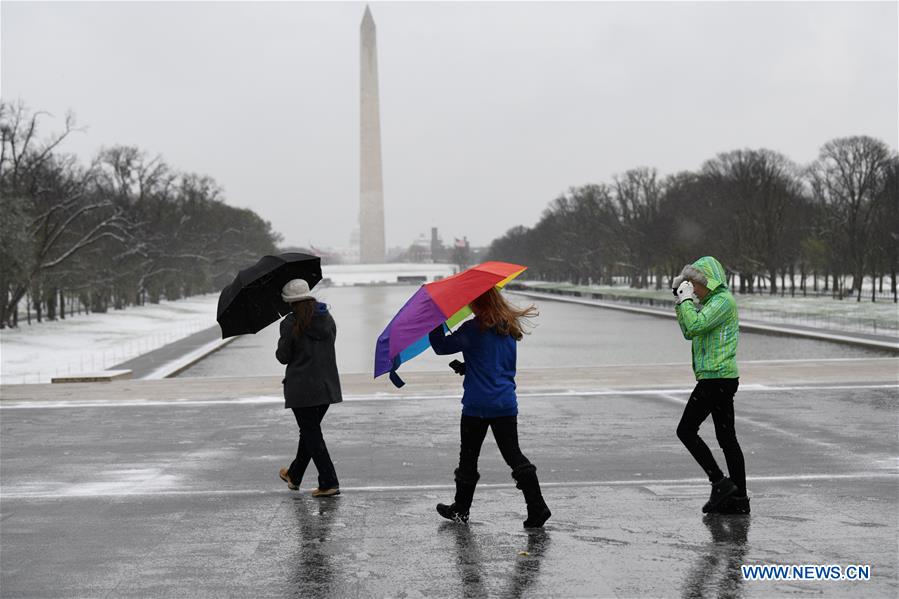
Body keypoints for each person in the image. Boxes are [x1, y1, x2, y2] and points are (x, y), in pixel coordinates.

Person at [429, 287, 551, 528]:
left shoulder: (473, 329)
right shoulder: (508, 328)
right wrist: (468, 367)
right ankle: (538, 507)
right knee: (514, 455)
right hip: (505, 403)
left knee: (468, 459)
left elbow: (441, 347)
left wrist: (435, 322)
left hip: (477, 406)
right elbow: (494, 363)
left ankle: (461, 509)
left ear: (478, 303)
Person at [672, 256, 749, 515]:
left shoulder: (722, 302)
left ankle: (719, 482)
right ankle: (739, 499)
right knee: (727, 438)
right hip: (717, 377)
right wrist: (681, 301)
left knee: (686, 430)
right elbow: (687, 330)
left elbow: (695, 326)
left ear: (709, 281)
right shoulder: (708, 303)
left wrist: (686, 302)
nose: (692, 289)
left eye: (694, 283)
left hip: (717, 378)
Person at [276, 278, 342, 497]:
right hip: (326, 386)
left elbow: (283, 357)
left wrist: (283, 338)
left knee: (311, 433)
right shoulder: (327, 319)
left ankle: (329, 482)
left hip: (302, 388)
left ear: (290, 302)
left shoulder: (290, 323)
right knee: (309, 432)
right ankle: (294, 475)